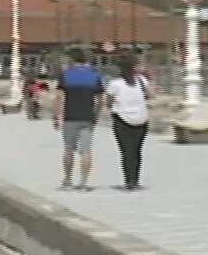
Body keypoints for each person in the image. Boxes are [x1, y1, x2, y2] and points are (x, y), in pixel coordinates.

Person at [55, 48, 106, 191]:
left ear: (72, 60)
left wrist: (57, 115)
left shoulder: (66, 75)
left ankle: (67, 179)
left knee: (68, 149)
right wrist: (96, 114)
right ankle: (83, 183)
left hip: (70, 117)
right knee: (86, 151)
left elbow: (60, 97)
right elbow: (100, 99)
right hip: (87, 117)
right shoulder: (94, 76)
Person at [106, 57, 154, 190]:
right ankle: (135, 179)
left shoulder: (115, 84)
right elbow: (151, 94)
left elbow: (109, 102)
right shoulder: (142, 81)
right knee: (137, 151)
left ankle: (129, 180)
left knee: (126, 151)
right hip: (141, 119)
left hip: (122, 119)